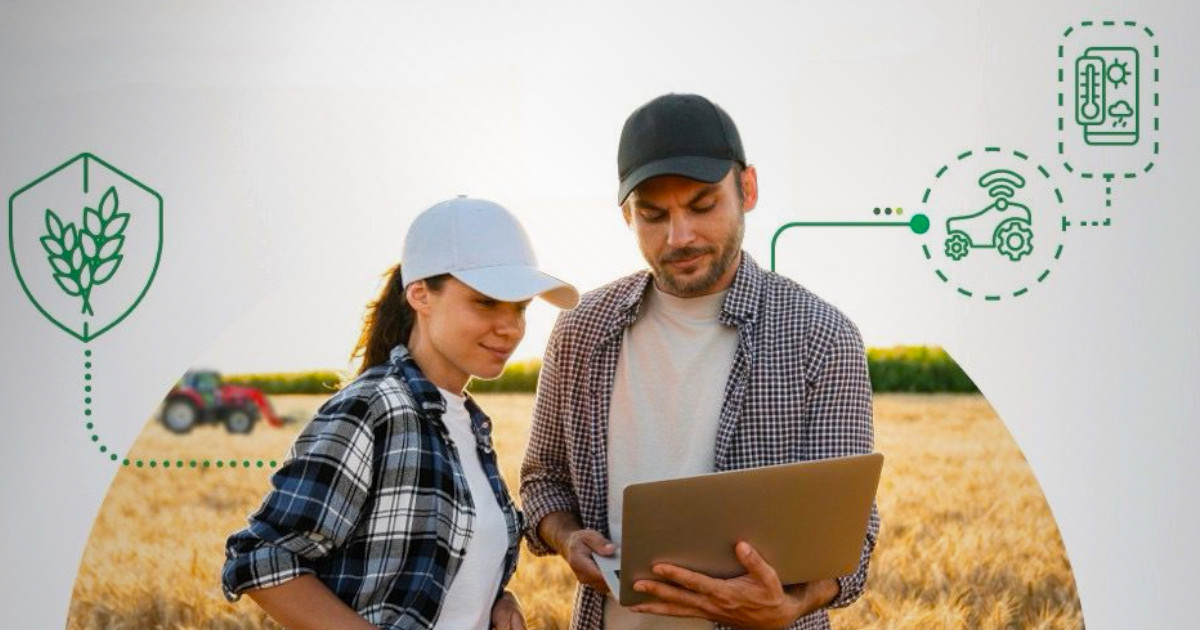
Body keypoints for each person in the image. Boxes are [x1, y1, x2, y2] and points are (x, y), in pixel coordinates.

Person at [520, 93, 878, 630]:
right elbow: (542, 479)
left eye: (702, 205)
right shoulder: (580, 329)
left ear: (748, 189)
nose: (678, 236)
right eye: (653, 214)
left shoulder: (822, 337)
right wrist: (568, 536)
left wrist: (792, 605)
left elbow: (850, 533)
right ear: (626, 215)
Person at [222, 196, 579, 630]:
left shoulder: (468, 423)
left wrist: (496, 600)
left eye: (520, 308)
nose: (511, 327)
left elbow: (436, 565)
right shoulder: (375, 406)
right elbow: (260, 557)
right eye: (486, 302)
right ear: (420, 295)